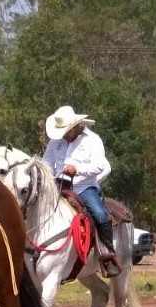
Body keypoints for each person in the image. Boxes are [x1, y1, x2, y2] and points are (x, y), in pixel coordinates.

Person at [43, 105, 116, 273]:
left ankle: (108, 252)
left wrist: (78, 170)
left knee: (99, 213)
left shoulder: (92, 140)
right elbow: (47, 162)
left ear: (75, 126)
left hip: (84, 187)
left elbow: (99, 166)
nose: (64, 136)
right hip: (58, 186)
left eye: (66, 131)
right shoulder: (55, 142)